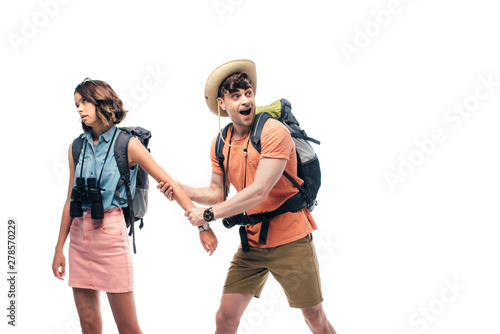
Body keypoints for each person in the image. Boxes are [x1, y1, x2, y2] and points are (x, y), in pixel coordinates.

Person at [158, 60, 336, 333]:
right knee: (225, 318)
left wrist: (207, 216)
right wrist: (182, 190)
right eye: (236, 95)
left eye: (248, 93)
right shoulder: (221, 141)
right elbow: (217, 193)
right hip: (252, 243)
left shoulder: (274, 132)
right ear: (222, 104)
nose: (245, 100)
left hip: (291, 240)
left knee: (315, 319)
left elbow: (259, 190)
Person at [52, 78, 218, 334]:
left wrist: (202, 226)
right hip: (78, 236)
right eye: (76, 104)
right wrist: (58, 248)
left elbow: (169, 182)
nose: (80, 109)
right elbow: (69, 199)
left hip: (109, 233)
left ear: (102, 102)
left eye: (85, 101)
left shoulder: (127, 144)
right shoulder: (76, 147)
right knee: (88, 323)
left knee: (128, 327)